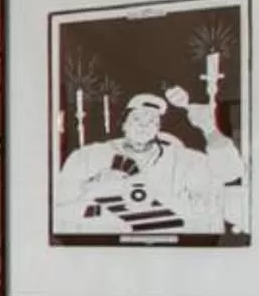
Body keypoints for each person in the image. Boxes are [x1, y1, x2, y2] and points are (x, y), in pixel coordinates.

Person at [52, 87, 247, 237]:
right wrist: (93, 189)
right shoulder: (88, 157)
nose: (144, 126)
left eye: (152, 121)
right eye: (137, 119)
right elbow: (58, 208)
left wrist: (210, 129)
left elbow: (230, 173)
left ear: (159, 128)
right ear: (124, 124)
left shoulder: (182, 159)